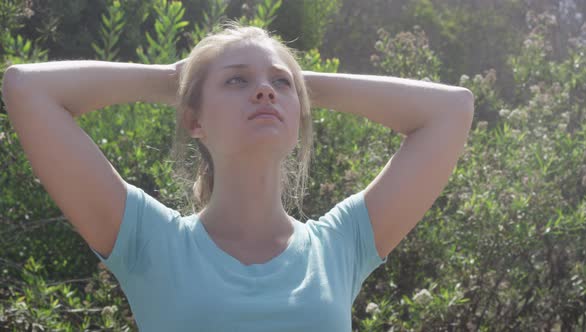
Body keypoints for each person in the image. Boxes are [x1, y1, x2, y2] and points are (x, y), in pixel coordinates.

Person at [2, 21, 474, 332]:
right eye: (237, 81)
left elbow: (452, 109)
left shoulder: (340, 245)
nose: (265, 91)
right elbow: (27, 87)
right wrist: (174, 79)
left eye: (279, 83)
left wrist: (302, 85)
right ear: (195, 121)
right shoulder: (149, 240)